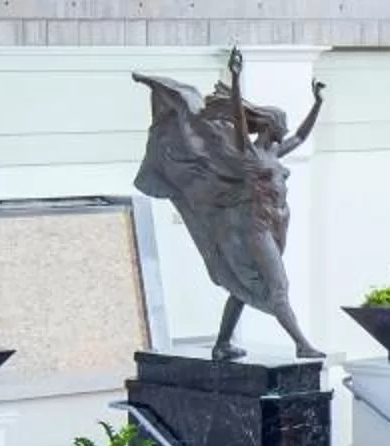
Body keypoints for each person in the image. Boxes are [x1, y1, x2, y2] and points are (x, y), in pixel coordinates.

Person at [134, 53, 325, 360]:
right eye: (281, 126)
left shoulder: (273, 151)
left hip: (276, 222)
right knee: (278, 287)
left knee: (241, 289)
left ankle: (222, 343)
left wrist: (317, 103)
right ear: (271, 126)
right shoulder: (248, 154)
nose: (285, 131)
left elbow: (302, 136)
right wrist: (236, 78)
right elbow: (237, 118)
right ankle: (302, 343)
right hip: (256, 226)